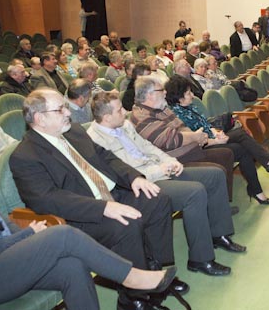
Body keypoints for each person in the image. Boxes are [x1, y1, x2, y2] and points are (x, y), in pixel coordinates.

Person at [0, 130, 176, 310]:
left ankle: (132, 282)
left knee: (73, 267)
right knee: (62, 234)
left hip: (3, 256)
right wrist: (25, 236)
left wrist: (22, 238)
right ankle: (131, 278)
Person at [10, 89, 182, 309]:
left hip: (111, 195)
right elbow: (47, 199)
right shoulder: (25, 156)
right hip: (80, 216)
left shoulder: (74, 132)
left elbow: (106, 157)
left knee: (157, 200)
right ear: (39, 118)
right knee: (127, 223)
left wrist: (134, 178)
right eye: (60, 109)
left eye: (65, 107)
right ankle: (134, 298)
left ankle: (155, 271)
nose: (68, 113)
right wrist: (103, 208)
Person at [87, 92, 245, 275]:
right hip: (143, 182)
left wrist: (170, 161)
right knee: (194, 193)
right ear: (107, 117)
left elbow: (148, 147)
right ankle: (201, 259)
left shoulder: (124, 124)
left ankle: (219, 234)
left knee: (215, 175)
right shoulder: (95, 140)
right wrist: (160, 170)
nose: (125, 111)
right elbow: (123, 172)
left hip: (158, 168)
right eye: (120, 109)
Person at [164, 75, 269, 204]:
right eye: (188, 93)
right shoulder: (177, 116)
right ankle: (259, 185)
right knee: (242, 149)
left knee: (240, 134)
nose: (192, 95)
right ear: (179, 98)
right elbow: (195, 141)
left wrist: (217, 133)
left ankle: (268, 165)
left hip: (211, 139)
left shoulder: (189, 107)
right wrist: (216, 141)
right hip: (200, 149)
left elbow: (206, 125)